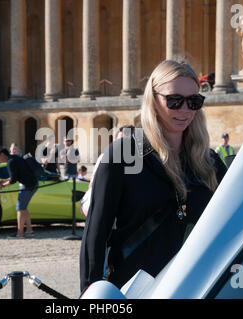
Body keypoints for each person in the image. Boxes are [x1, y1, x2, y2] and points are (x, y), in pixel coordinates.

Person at [80, 59, 227, 292]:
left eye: (194, 101)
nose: (185, 110)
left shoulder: (209, 162)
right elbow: (94, 236)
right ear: (154, 99)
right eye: (174, 100)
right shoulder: (122, 155)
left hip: (196, 286)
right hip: (136, 289)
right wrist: (91, 296)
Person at [0, 146, 38, 238]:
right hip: (32, 184)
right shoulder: (14, 158)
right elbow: (15, 176)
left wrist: (2, 185)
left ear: (1, 155)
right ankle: (29, 230)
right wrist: (3, 181)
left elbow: (13, 180)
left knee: (20, 209)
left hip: (28, 186)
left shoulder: (10, 162)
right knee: (23, 208)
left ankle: (20, 233)